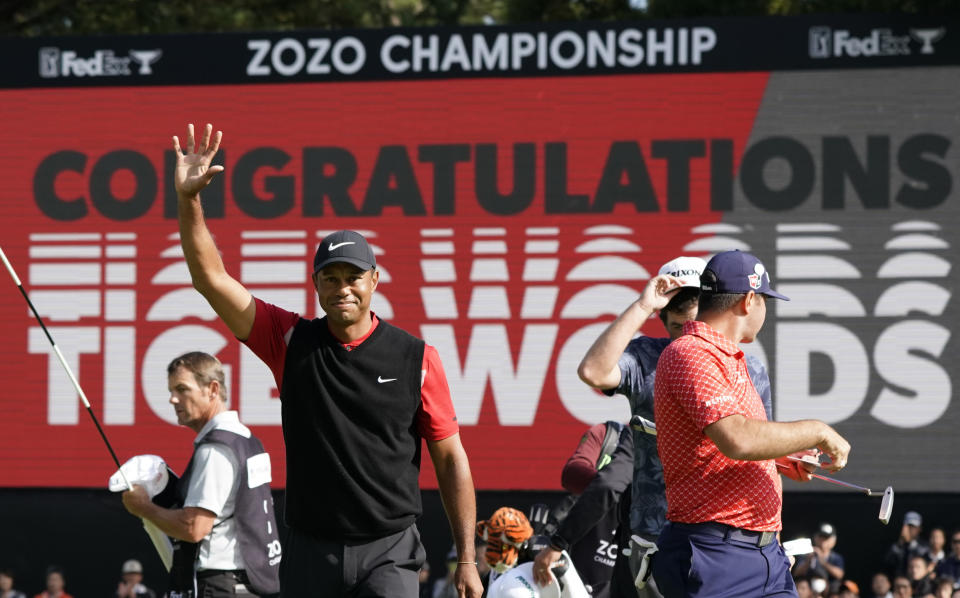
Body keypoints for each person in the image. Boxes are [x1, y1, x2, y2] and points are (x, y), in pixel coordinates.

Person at [169, 123, 482, 598]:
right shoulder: (291, 341)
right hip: (310, 550)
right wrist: (189, 200)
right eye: (330, 278)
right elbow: (210, 278)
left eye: (353, 277)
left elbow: (451, 459)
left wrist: (467, 559)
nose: (343, 288)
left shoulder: (417, 358)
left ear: (374, 280)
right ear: (317, 285)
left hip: (389, 550)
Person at [650, 249, 852, 598]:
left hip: (762, 553)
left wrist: (781, 457)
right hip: (716, 552)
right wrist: (819, 430)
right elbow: (736, 438)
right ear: (748, 301)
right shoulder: (691, 351)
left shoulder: (728, 356)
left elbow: (724, 448)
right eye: (765, 300)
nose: (766, 310)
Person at [576, 255, 775, 596]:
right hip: (655, 532)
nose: (689, 338)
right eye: (678, 328)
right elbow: (593, 372)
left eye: (696, 324)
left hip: (727, 535)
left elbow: (761, 453)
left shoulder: (749, 367)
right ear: (663, 320)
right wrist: (642, 305)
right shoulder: (645, 358)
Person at [121, 352, 281, 597]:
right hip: (249, 583)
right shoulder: (247, 440)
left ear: (212, 389)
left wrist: (143, 507)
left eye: (182, 389)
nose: (173, 399)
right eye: (171, 390)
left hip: (220, 585)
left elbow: (194, 528)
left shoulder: (215, 450)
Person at [533, 421, 633, 597]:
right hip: (590, 542)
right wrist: (614, 485)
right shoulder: (609, 433)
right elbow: (571, 475)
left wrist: (614, 486)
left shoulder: (674, 441)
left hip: (640, 550)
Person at [794, 523, 845, 593]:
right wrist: (808, 561)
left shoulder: (836, 557)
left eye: (826, 538)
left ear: (833, 541)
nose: (823, 540)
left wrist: (823, 562)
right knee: (801, 585)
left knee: (837, 586)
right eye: (821, 536)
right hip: (809, 591)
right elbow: (796, 573)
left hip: (828, 592)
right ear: (815, 537)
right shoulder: (806, 553)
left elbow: (840, 575)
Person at [886, 512, 930, 580]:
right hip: (900, 582)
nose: (910, 529)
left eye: (913, 526)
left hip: (919, 583)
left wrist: (909, 544)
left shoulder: (925, 546)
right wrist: (900, 543)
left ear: (920, 528)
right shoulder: (897, 545)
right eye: (908, 526)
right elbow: (888, 563)